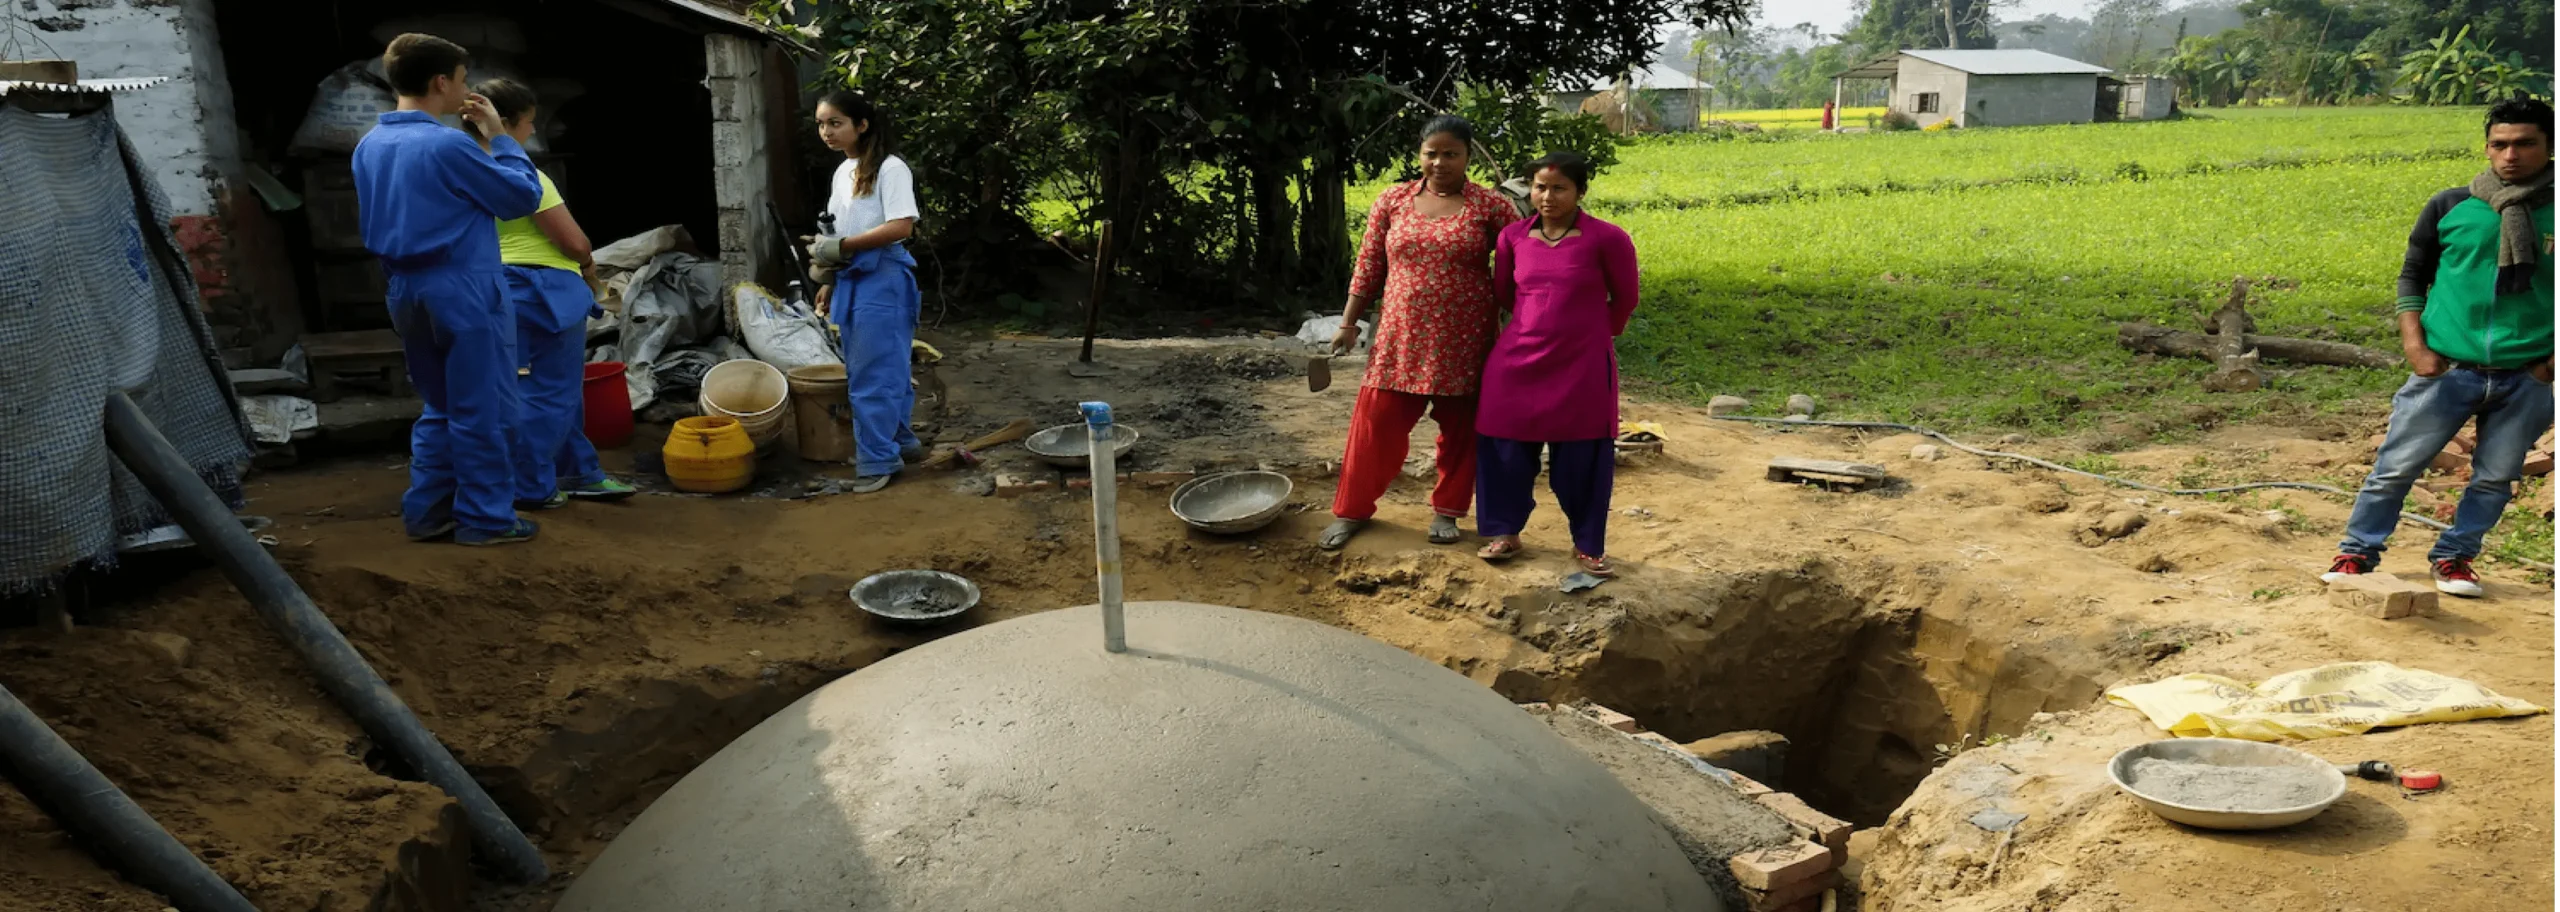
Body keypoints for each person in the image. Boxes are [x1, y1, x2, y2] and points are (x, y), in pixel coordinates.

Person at [2324, 97, 2556, 596]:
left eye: (2524, 144)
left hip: (2526, 374)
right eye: (2500, 144)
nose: (2510, 155)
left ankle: (2455, 559)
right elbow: (2413, 276)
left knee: (2495, 478)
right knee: (2396, 468)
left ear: (2549, 146)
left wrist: (2551, 365)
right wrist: (2415, 344)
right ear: (2487, 147)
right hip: (2448, 369)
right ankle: (2357, 552)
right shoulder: (2452, 205)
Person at [353, 34, 546, 545]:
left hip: (405, 288)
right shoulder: (446, 143)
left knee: (439, 407)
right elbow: (520, 198)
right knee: (484, 409)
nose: (464, 89)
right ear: (442, 82)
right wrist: (501, 137)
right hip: (463, 285)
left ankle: (429, 513)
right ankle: (486, 520)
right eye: (462, 80)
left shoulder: (370, 145)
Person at [1320, 115, 1519, 551]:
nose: (1440, 162)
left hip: (1465, 338)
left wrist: (1527, 327)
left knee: (1463, 430)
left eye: (1451, 154)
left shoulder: (1490, 207)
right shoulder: (1392, 200)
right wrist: (1348, 323)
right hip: (1399, 335)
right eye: (1432, 153)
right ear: (1419, 155)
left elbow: (1520, 266)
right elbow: (1369, 265)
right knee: (1375, 425)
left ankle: (1448, 511)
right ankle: (1352, 510)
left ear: (1467, 156)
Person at [465, 78, 638, 509]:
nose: (531, 133)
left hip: (491, 286)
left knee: (535, 389)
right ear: (503, 124)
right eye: (527, 124)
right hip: (542, 289)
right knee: (549, 394)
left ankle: (578, 472)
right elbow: (574, 242)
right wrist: (587, 267)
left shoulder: (463, 167)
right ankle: (532, 485)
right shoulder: (523, 173)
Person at [1475, 152, 1641, 576]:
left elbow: (1625, 298)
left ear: (1580, 192)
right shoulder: (1512, 237)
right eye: (1539, 187)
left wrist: (1593, 334)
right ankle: (1504, 532)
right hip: (1516, 361)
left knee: (1582, 455)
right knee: (1504, 448)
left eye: (1558, 188)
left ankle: (1587, 544)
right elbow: (1505, 294)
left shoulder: (1608, 238)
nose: (1546, 196)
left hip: (1582, 363)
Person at [805, 91, 922, 494]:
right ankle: (901, 440)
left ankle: (878, 460)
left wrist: (844, 248)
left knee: (873, 374)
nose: (826, 132)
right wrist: (829, 279)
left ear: (862, 125)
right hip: (853, 278)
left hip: (883, 275)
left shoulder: (891, 169)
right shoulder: (843, 172)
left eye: (835, 123)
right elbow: (837, 230)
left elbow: (901, 226)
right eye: (821, 124)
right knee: (884, 367)